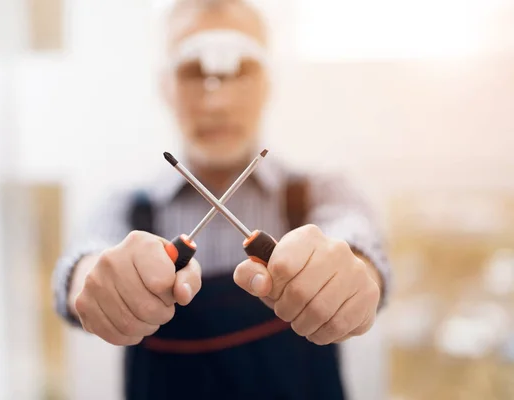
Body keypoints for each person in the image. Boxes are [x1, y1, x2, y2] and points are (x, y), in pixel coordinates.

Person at [53, 1, 391, 399]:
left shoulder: (322, 194)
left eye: (241, 69)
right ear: (165, 86)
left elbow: (359, 248)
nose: (218, 102)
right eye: (193, 71)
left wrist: (351, 275)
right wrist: (95, 282)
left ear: (268, 83)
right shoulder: (124, 209)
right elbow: (82, 264)